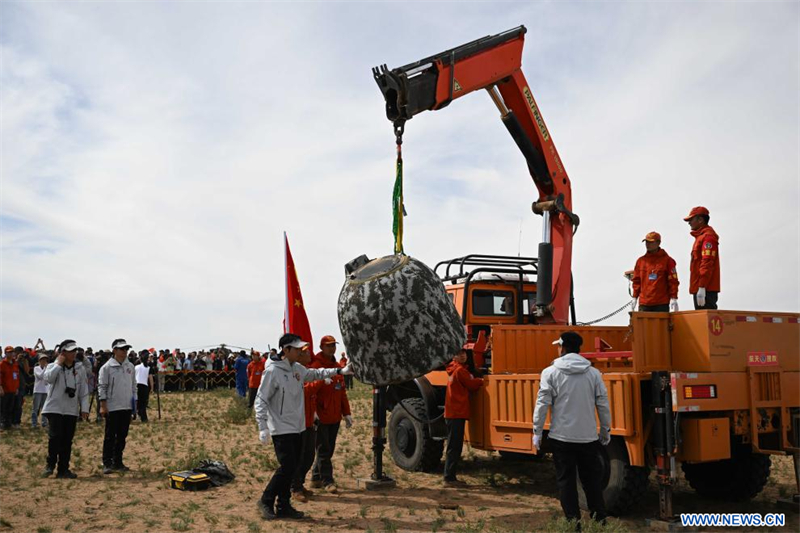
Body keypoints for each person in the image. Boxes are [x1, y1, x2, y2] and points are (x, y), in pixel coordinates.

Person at [254, 333, 352, 521]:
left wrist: (340, 371)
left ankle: (283, 505)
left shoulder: (297, 369)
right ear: (286, 349)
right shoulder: (272, 371)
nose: (300, 351)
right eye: (297, 348)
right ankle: (266, 500)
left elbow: (316, 373)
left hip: (298, 426)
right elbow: (261, 399)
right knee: (287, 466)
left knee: (292, 467)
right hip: (281, 428)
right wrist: (262, 426)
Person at [533, 331, 611, 529]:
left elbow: (542, 404)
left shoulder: (550, 372)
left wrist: (537, 432)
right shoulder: (593, 373)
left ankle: (573, 524)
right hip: (588, 438)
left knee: (566, 482)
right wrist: (605, 429)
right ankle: (600, 522)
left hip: (561, 438)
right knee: (591, 482)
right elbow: (602, 404)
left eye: (559, 346)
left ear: (564, 347)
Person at [309, 335, 353, 493]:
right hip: (321, 417)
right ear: (321, 347)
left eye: (334, 345)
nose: (332, 348)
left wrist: (346, 413)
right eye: (328, 345)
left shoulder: (337, 367)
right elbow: (310, 392)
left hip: (335, 416)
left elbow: (342, 393)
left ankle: (315, 477)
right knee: (324, 449)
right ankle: (327, 481)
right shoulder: (315, 366)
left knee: (328, 449)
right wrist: (313, 413)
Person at [41, 340, 90, 478]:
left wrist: (84, 408)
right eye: (70, 351)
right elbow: (48, 379)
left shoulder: (79, 369)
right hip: (54, 407)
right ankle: (50, 465)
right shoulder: (52, 366)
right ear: (62, 352)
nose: (74, 353)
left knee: (67, 440)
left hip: (71, 409)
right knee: (55, 438)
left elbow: (83, 390)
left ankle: (63, 469)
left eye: (75, 351)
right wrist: (58, 364)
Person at [443, 348, 483, 485]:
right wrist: (482, 380)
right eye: (459, 354)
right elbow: (472, 385)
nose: (463, 355)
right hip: (457, 412)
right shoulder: (460, 371)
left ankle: (449, 476)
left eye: (464, 353)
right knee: (454, 446)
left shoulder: (453, 369)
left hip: (453, 412)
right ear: (453, 356)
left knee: (453, 445)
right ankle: (449, 477)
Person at [98, 338, 137, 474]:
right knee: (110, 436)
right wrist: (103, 406)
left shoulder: (130, 366)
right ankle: (107, 462)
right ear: (114, 350)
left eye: (126, 349)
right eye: (122, 349)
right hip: (112, 407)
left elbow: (133, 387)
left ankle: (118, 461)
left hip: (126, 407)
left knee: (122, 436)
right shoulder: (106, 368)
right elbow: (102, 387)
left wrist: (134, 406)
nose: (124, 351)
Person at [291, 349, 325, 502]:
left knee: (309, 456)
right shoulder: (294, 373)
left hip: (309, 421)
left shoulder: (305, 372)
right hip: (298, 424)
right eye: (306, 353)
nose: (309, 355)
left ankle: (300, 484)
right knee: (299, 457)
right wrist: (320, 381)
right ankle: (295, 488)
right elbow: (303, 391)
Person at [631, 232, 680, 313]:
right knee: (643, 326)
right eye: (646, 242)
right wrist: (634, 297)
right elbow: (636, 281)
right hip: (644, 303)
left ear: (658, 243)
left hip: (661, 303)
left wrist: (674, 298)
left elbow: (673, 281)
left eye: (651, 242)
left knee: (661, 326)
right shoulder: (641, 261)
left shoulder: (668, 261)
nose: (648, 244)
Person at [684, 206, 720, 309]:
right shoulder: (700, 237)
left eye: (691, 219)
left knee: (705, 321)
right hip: (700, 287)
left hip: (706, 289)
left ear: (700, 220)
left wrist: (702, 287)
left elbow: (707, 262)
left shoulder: (708, 237)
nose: (689, 222)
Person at [0, 347, 21, 429]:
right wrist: (0, 387)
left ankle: (8, 423)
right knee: (3, 408)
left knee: (11, 408)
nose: (11, 354)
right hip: (4, 390)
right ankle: (2, 423)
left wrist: (16, 388)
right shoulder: (2, 364)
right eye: (9, 352)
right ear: (5, 353)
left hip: (12, 390)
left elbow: (17, 377)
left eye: (12, 352)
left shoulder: (15, 364)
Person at [31, 352, 51, 428]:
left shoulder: (48, 369)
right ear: (39, 361)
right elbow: (40, 376)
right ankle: (34, 423)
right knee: (35, 408)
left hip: (45, 390)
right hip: (38, 390)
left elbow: (48, 379)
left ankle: (44, 423)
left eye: (45, 360)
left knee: (45, 408)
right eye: (42, 360)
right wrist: (45, 369)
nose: (44, 361)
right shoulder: (36, 368)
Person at [134, 351, 154, 422]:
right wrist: (152, 387)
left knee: (137, 401)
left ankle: (137, 414)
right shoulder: (148, 368)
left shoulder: (136, 367)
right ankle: (143, 417)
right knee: (143, 403)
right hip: (144, 386)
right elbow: (150, 378)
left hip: (136, 385)